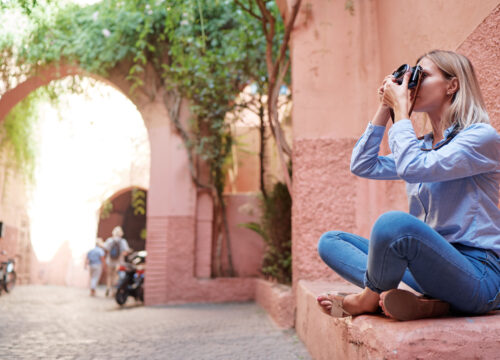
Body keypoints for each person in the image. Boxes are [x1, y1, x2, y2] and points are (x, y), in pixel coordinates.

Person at [317, 50, 500, 321]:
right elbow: (363, 165)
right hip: (431, 268)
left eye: (422, 76)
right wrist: (386, 105)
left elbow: (413, 168)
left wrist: (402, 113)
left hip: (479, 276)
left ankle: (370, 298)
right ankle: (424, 303)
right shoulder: (424, 147)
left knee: (393, 225)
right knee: (331, 241)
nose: (413, 84)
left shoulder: (480, 138)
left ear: (452, 85)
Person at [104, 226, 130, 297]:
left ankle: (108, 287)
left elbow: (105, 248)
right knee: (116, 276)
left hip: (110, 261)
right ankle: (113, 291)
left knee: (109, 276)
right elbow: (126, 251)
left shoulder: (110, 240)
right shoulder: (123, 241)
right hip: (119, 262)